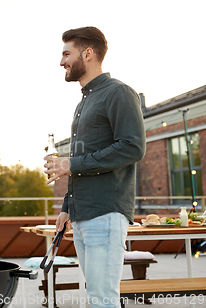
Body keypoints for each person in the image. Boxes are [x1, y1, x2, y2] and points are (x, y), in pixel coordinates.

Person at [44, 27, 146, 308]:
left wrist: (70, 163)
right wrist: (67, 206)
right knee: (96, 297)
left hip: (106, 211)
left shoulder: (119, 93)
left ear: (87, 54)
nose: (61, 61)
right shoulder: (84, 101)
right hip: (82, 213)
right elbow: (79, 163)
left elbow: (133, 147)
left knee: (103, 299)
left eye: (67, 53)